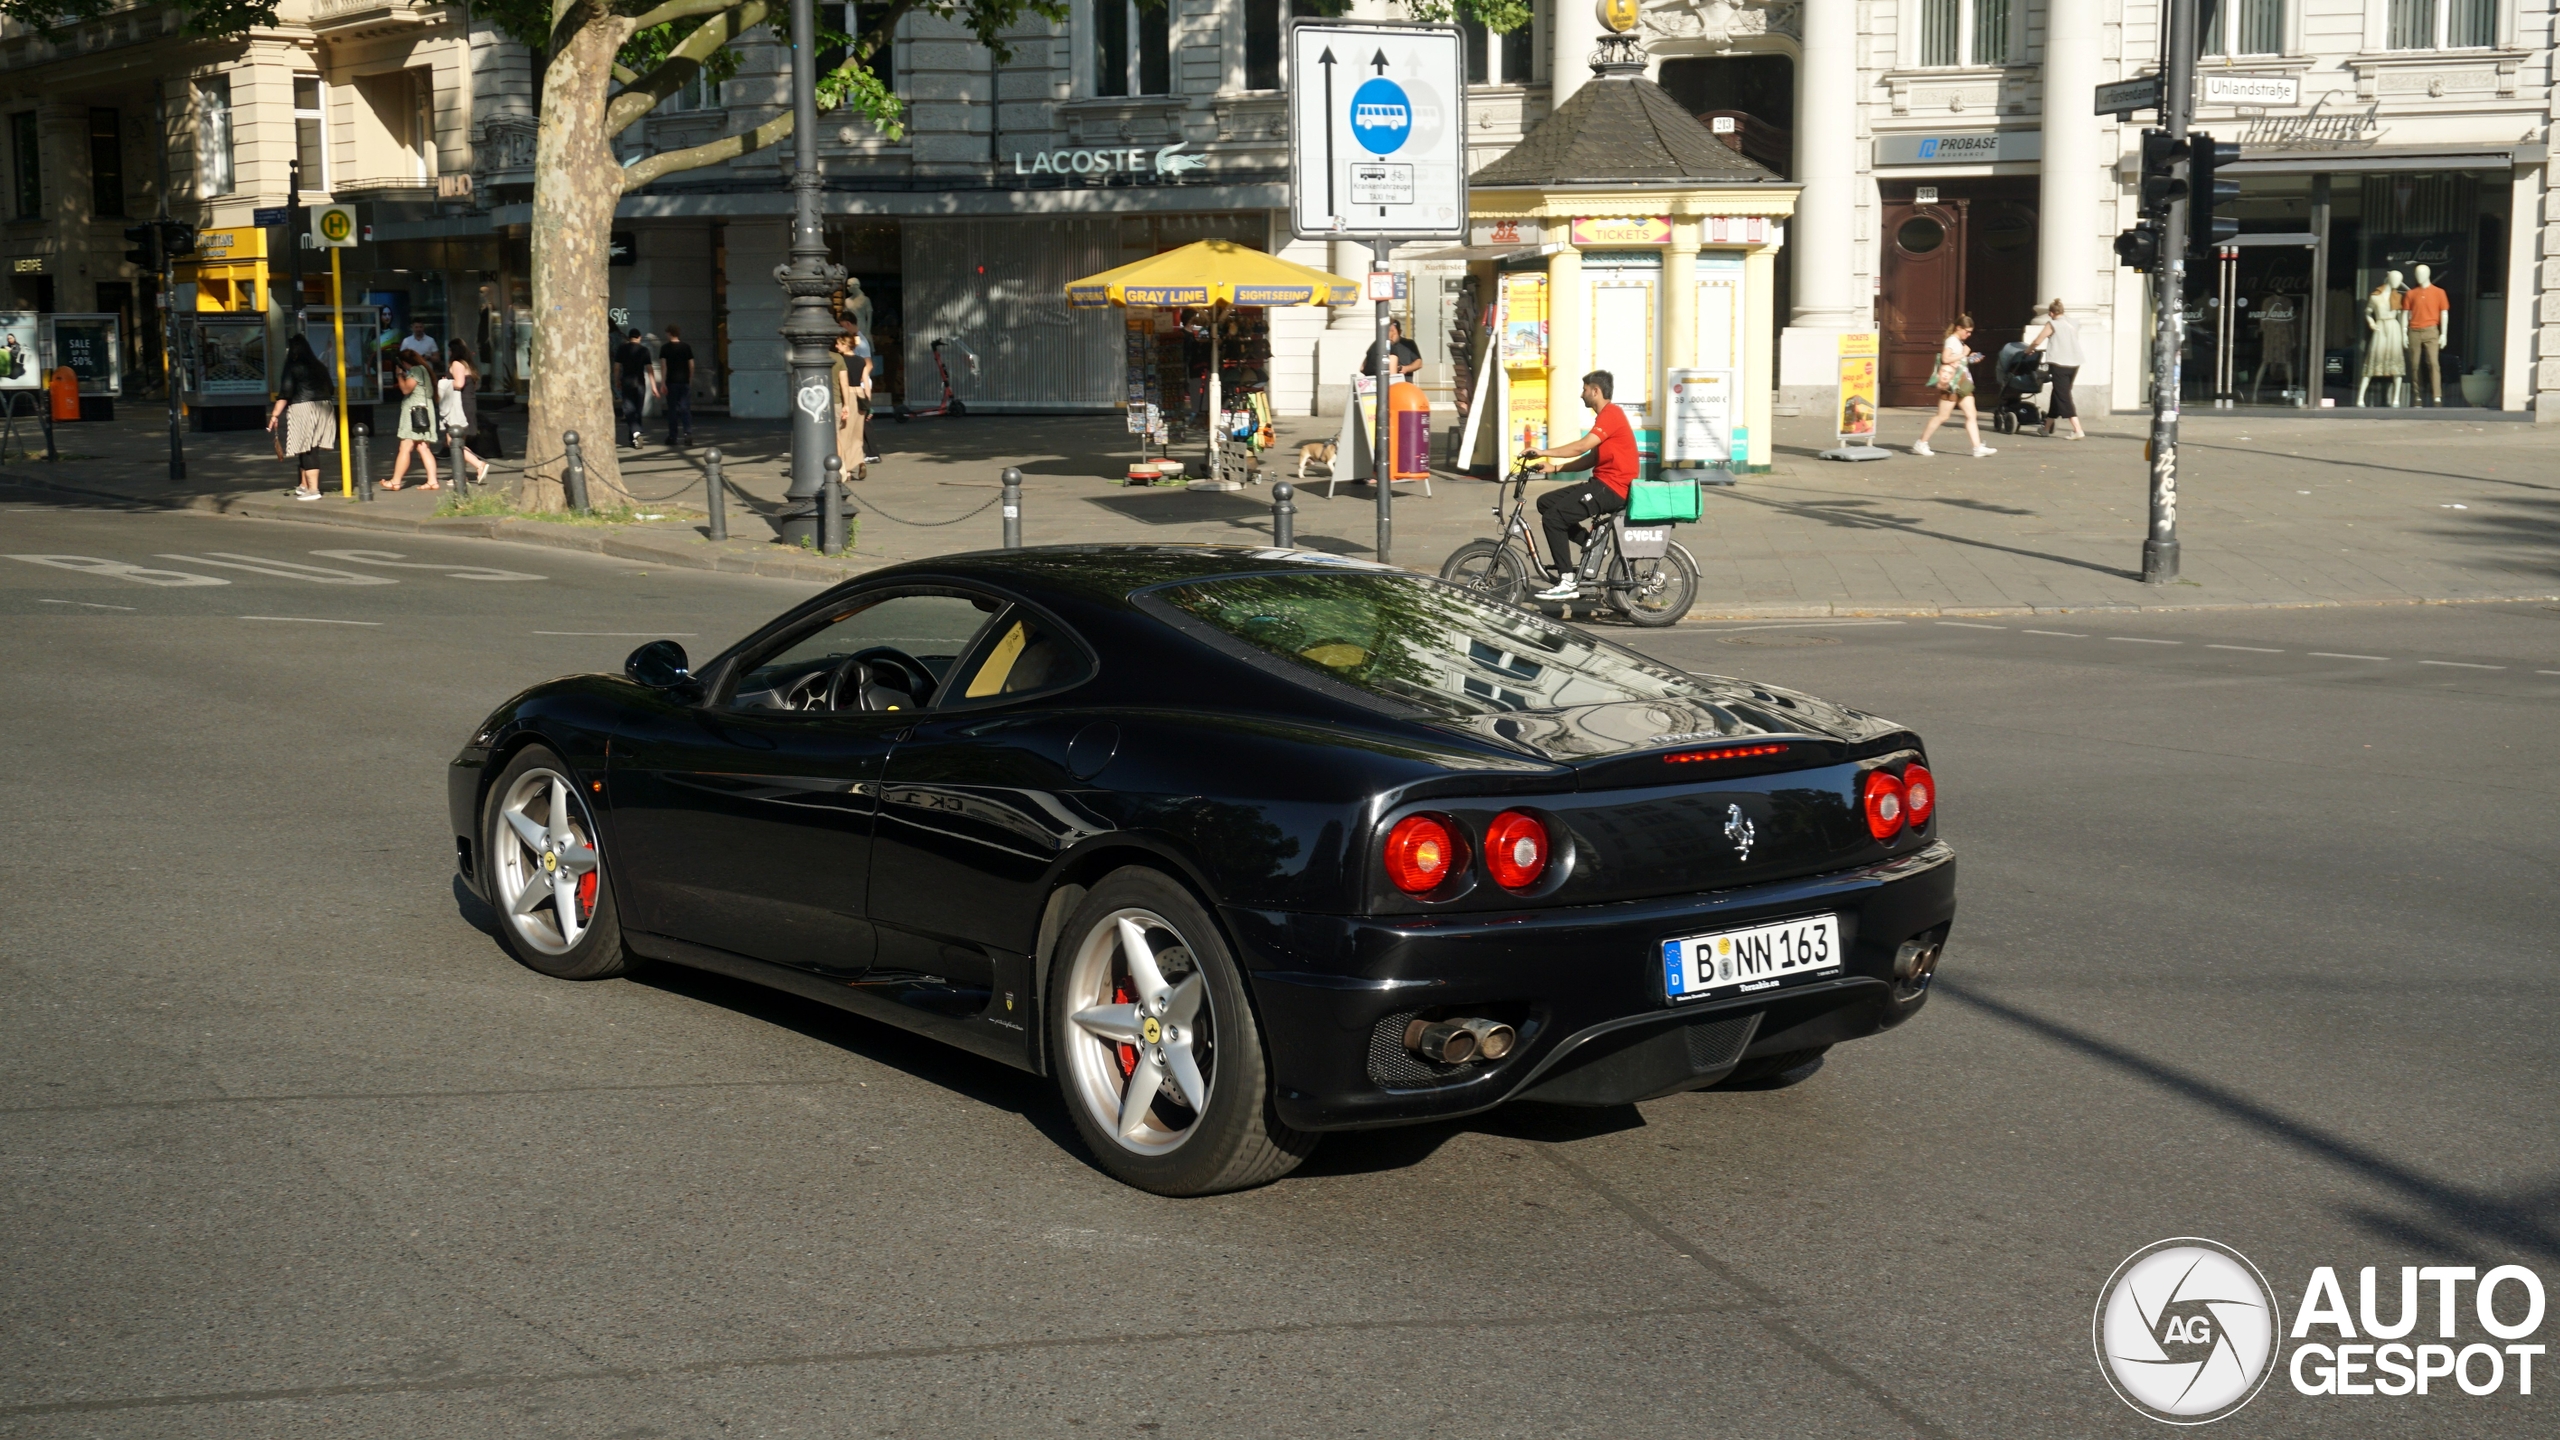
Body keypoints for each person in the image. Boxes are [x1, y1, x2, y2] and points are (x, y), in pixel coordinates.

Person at [1525, 369, 1638, 600]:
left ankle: (1566, 581)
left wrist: (1543, 452)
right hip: (1603, 483)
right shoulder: (1605, 417)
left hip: (1613, 488)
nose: (1581, 394)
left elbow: (1581, 447)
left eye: (1584, 389)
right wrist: (1555, 468)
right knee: (1545, 503)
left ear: (1595, 391)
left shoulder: (1611, 414)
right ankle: (1590, 542)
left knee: (1554, 518)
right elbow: (1591, 458)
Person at [265, 334, 337, 501]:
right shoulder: (319, 365)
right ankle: (304, 485)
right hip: (325, 407)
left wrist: (274, 415)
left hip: (304, 408)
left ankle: (313, 489)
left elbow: (286, 392)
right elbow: (331, 388)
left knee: (308, 449)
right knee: (308, 447)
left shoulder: (293, 366)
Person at [1911, 315, 1995, 458]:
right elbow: (1945, 358)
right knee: (1942, 416)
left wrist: (1969, 357)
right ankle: (1921, 443)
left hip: (1962, 383)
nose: (1969, 335)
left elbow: (1958, 361)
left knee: (1971, 415)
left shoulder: (1958, 342)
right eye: (1967, 331)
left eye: (1970, 332)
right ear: (1959, 328)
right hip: (1952, 384)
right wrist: (1964, 354)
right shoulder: (1951, 341)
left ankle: (1977, 447)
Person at [381, 351, 441, 491]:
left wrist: (399, 375)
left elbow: (406, 389)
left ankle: (395, 481)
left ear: (405, 362)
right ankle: (432, 481)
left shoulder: (416, 370)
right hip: (425, 412)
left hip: (414, 414)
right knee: (423, 447)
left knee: (405, 447)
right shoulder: (424, 369)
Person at [2028, 298, 2084, 440]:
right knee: (2058, 393)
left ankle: (2077, 429)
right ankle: (2046, 428)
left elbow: (2038, 340)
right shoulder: (2074, 323)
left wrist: (2029, 350)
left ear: (2051, 313)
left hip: (2059, 363)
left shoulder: (2052, 324)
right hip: (2075, 362)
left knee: (2063, 396)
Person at [443, 340, 489, 487]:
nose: (448, 353)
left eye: (450, 350)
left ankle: (479, 464)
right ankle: (461, 476)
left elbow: (459, 383)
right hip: (468, 403)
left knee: (453, 441)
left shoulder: (457, 364)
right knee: (459, 440)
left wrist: (445, 382)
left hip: (460, 405)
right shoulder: (469, 365)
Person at [831, 326, 869, 479]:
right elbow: (865, 381)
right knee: (857, 432)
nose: (836, 346)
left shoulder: (840, 360)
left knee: (844, 432)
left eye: (839, 343)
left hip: (848, 395)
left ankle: (845, 468)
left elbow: (843, 383)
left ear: (846, 345)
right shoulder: (861, 361)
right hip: (860, 394)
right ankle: (860, 461)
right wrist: (868, 403)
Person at [613, 327, 655, 447]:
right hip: (640, 382)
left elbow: (617, 367)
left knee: (628, 409)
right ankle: (634, 438)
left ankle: (636, 434)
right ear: (639, 337)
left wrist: (616, 380)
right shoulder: (644, 350)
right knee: (637, 410)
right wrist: (654, 386)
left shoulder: (622, 348)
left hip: (627, 381)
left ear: (629, 337)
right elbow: (650, 369)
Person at [659, 324, 695, 445]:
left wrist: (663, 382)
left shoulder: (665, 348)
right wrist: (690, 379)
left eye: (666, 333)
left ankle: (672, 436)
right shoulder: (686, 347)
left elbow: (664, 366)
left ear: (669, 333)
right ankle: (688, 433)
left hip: (671, 382)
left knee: (672, 410)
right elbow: (691, 365)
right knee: (685, 409)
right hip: (684, 381)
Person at [1359, 319, 1424, 385]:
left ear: (1400, 332)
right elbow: (1393, 376)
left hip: (1371, 386)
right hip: (1394, 385)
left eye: (1393, 332)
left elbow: (1419, 363)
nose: (1391, 336)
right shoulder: (1390, 347)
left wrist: (1405, 368)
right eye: (1389, 332)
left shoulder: (1408, 344)